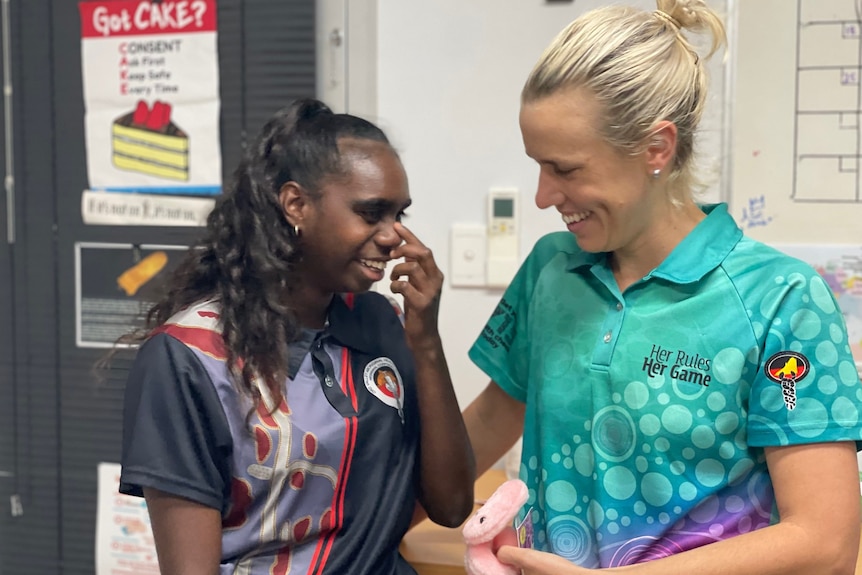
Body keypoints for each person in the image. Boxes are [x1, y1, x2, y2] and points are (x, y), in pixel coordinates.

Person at [462, 1, 862, 573]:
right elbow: (484, 427)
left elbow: (825, 543)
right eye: (538, 165)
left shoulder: (782, 301)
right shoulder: (551, 271)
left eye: (567, 169)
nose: (543, 196)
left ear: (656, 148)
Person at [118, 98, 475, 575]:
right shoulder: (188, 357)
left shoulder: (380, 321)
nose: (393, 236)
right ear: (296, 204)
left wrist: (426, 341)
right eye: (372, 213)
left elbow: (451, 507)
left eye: (399, 215)